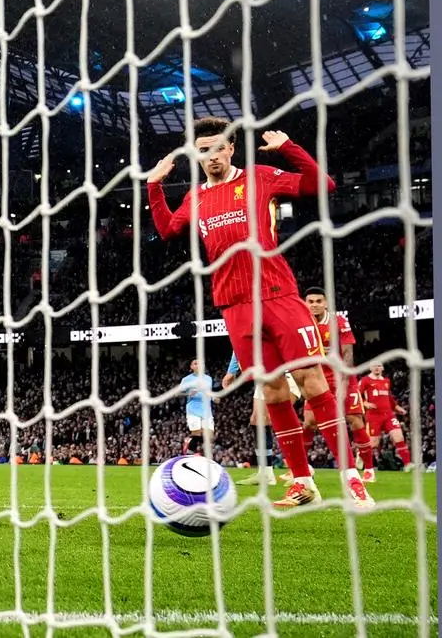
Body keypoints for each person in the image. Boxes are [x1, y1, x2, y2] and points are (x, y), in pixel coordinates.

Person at [147, 118, 372, 509]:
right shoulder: (195, 198)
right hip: (233, 305)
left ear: (231, 148)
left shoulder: (260, 177)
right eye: (203, 150)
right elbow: (167, 230)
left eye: (218, 147)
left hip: (278, 294)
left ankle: (351, 477)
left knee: (311, 379)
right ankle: (302, 482)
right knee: (272, 391)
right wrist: (154, 186)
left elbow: (325, 185)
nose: (211, 155)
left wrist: (289, 147)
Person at [302, 287, 375, 481]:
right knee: (309, 422)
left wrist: (343, 383)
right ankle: (303, 468)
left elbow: (348, 353)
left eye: (319, 301)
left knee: (354, 420)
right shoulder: (302, 322)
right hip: (316, 377)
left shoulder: (338, 321)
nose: (315, 305)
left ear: (325, 303)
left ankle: (368, 469)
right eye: (311, 301)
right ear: (305, 303)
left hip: (342, 376)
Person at [223, 354, 300, 486]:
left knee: (281, 419)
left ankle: (301, 471)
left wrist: (232, 371)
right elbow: (237, 344)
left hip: (285, 370)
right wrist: (232, 370)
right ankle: (265, 473)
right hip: (264, 371)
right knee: (257, 420)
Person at [359, 363, 414, 476]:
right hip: (373, 416)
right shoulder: (365, 380)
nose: (377, 368)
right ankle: (360, 454)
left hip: (388, 415)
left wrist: (397, 407)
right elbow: (357, 395)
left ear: (382, 368)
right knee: (373, 443)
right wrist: (365, 403)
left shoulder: (386, 381)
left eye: (379, 366)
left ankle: (408, 464)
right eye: (374, 366)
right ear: (370, 368)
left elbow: (389, 397)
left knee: (399, 437)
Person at [178, 361, 213, 456]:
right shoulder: (187, 379)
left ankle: (190, 444)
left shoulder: (209, 379)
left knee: (210, 437)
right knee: (197, 433)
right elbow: (178, 393)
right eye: (196, 363)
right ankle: (190, 454)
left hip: (207, 410)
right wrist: (188, 394)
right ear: (191, 366)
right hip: (193, 409)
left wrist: (214, 397)